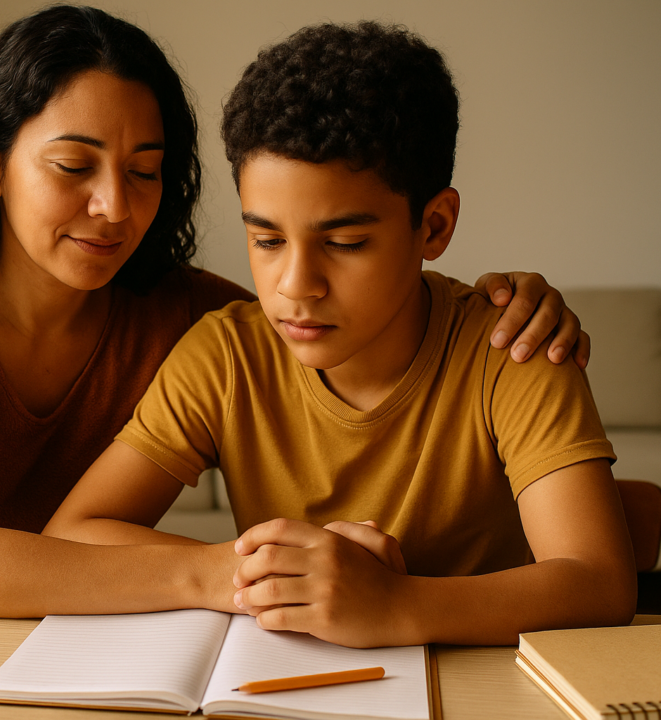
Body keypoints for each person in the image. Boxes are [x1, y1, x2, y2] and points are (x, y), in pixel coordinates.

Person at [0, 6, 591, 618]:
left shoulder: (195, 316)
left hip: (74, 628)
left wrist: (509, 301)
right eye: (74, 165)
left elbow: (345, 341)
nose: (114, 206)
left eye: (145, 171)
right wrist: (240, 571)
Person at [45, 21, 636, 646]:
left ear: (433, 226)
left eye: (345, 243)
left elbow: (600, 583)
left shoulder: (512, 347)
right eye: (266, 240)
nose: (296, 284)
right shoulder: (226, 354)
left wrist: (396, 607)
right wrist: (279, 572)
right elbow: (75, 533)